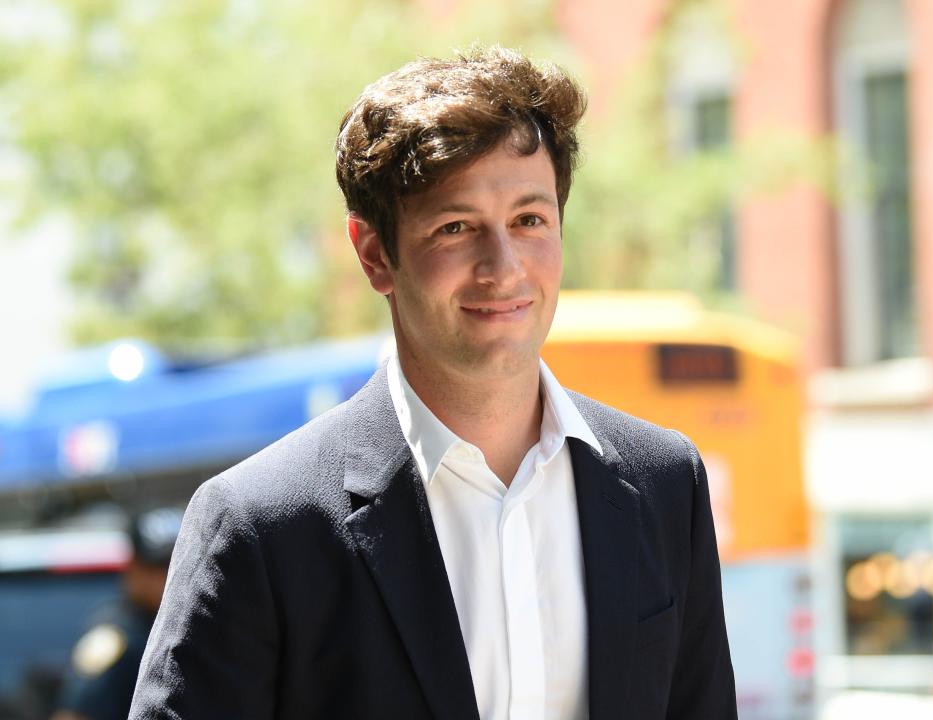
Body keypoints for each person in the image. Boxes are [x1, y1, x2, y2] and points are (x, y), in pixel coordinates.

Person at [129, 46, 737, 719]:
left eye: (529, 221)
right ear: (374, 254)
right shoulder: (261, 526)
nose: (503, 267)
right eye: (456, 227)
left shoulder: (664, 484)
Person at [51, 507, 182, 720]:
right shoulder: (116, 634)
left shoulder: (192, 622)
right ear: (133, 568)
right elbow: (74, 715)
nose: (170, 574)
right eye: (159, 567)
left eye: (179, 563)